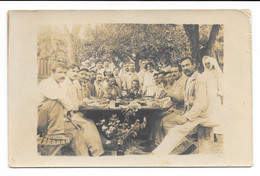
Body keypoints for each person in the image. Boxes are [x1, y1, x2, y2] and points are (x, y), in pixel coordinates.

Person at [152, 57, 209, 155]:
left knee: (175, 130)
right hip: (189, 112)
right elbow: (186, 100)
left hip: (201, 115)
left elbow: (201, 104)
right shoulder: (189, 79)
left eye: (187, 65)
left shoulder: (200, 79)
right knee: (167, 124)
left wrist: (186, 117)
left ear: (194, 65)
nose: (185, 68)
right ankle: (185, 148)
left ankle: (157, 155)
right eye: (183, 66)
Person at [37, 62, 89, 156]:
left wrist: (69, 113)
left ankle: (84, 159)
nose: (63, 75)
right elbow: (62, 98)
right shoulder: (47, 83)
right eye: (60, 72)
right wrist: (70, 110)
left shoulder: (58, 84)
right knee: (55, 102)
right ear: (52, 73)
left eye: (65, 73)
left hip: (51, 119)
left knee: (77, 130)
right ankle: (55, 133)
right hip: (40, 119)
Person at [60, 64, 104, 156]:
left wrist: (80, 103)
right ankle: (96, 152)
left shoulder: (71, 84)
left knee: (90, 122)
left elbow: (74, 102)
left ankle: (97, 151)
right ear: (67, 72)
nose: (75, 73)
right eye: (73, 71)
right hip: (66, 116)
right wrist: (80, 104)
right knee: (87, 124)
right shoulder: (64, 84)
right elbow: (64, 103)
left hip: (73, 113)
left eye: (76, 71)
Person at [202, 56, 224, 134]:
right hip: (206, 94)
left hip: (214, 93)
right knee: (207, 110)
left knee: (214, 109)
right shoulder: (204, 73)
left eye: (208, 63)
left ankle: (216, 130)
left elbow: (221, 82)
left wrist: (220, 92)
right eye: (206, 64)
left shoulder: (216, 72)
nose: (207, 65)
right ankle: (209, 128)